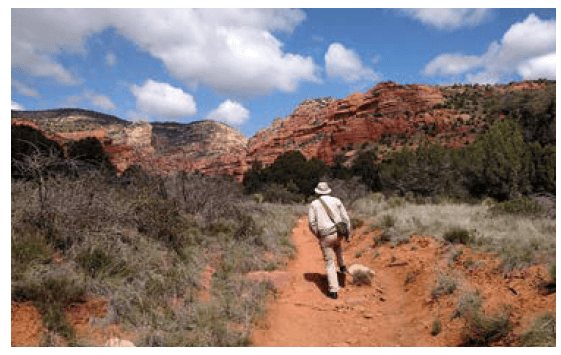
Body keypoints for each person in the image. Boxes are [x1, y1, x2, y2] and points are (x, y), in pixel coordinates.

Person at [308, 182, 352, 299]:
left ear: (317, 192)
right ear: (328, 191)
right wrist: (348, 234)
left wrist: (318, 234)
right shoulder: (336, 201)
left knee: (329, 262)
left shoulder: (314, 204)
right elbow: (346, 219)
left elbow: (312, 223)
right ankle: (342, 266)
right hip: (338, 232)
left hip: (325, 235)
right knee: (337, 246)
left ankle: (333, 290)